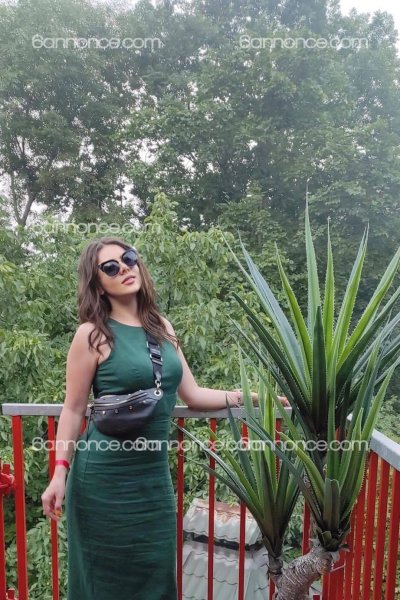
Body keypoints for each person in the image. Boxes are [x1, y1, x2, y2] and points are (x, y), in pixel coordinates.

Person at [41, 236, 289, 600]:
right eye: (110, 267)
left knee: (156, 577)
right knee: (103, 581)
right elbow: (74, 408)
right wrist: (59, 472)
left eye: (129, 258)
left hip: (152, 482)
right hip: (102, 482)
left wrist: (247, 397)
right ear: (98, 284)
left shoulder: (161, 327)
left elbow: (193, 394)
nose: (124, 268)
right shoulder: (91, 334)